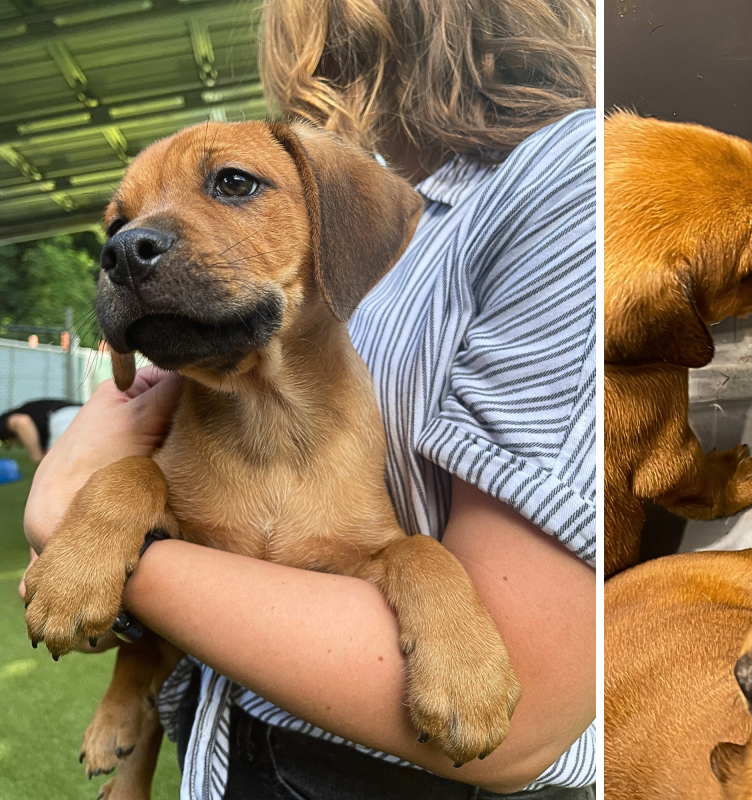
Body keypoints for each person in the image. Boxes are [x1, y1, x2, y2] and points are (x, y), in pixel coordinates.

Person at [22, 1, 596, 798]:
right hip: (224, 745)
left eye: (231, 185)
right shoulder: (206, 399)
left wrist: (63, 512)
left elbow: (515, 687)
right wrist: (110, 502)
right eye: (122, 228)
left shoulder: (564, 178)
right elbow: (146, 519)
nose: (135, 242)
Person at [0, 398, 80, 463]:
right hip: (84, 411)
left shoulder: (3, 421)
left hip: (64, 417)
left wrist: (36, 455)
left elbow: (22, 422)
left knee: (56, 468)